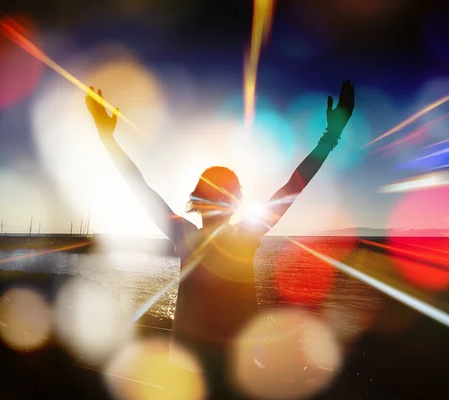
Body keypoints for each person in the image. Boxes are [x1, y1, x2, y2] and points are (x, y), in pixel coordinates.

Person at [86, 81, 355, 398]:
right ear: (236, 202)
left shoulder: (187, 233)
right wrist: (331, 137)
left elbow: (139, 186)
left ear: (196, 200)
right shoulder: (241, 235)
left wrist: (108, 138)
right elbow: (292, 187)